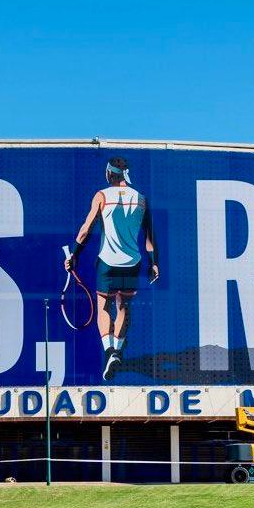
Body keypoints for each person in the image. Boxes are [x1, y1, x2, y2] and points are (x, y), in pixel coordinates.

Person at [66, 156, 160, 381]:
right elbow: (149, 238)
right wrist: (153, 263)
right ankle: (117, 351)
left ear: (110, 174)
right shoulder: (142, 199)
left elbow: (85, 229)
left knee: (104, 306)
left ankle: (109, 351)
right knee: (124, 307)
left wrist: (74, 255)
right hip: (132, 262)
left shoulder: (101, 196)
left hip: (108, 262)